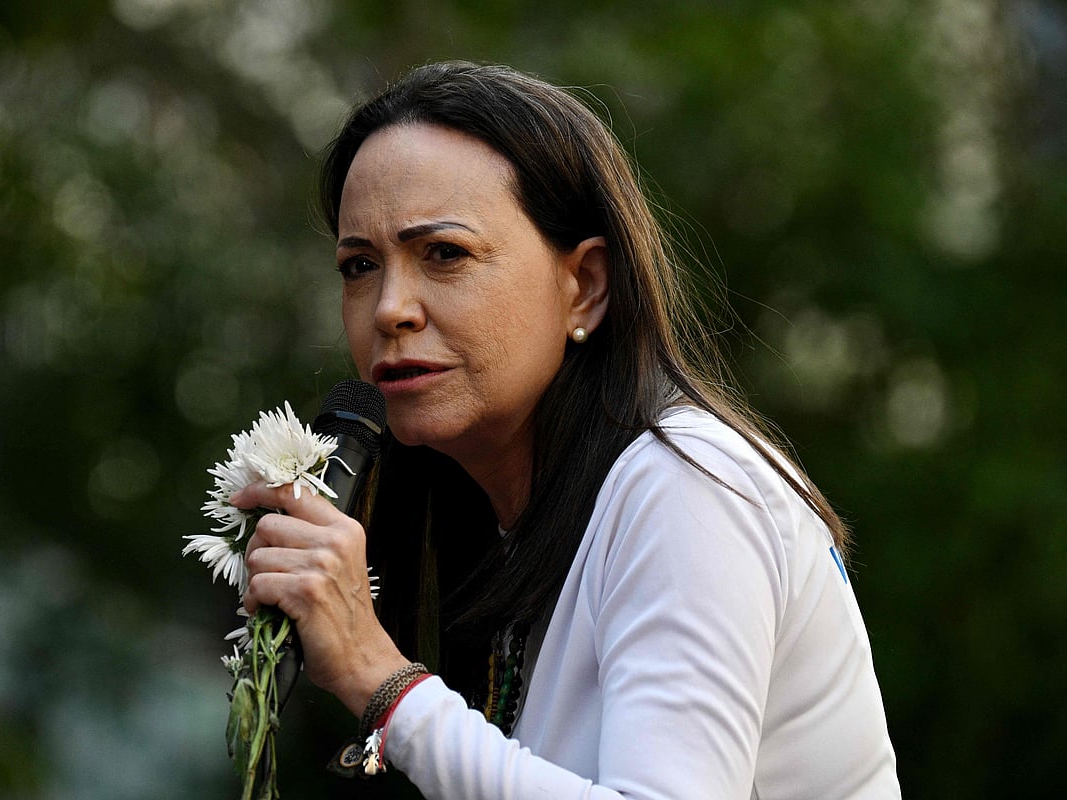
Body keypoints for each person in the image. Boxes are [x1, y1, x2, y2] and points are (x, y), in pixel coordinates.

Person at [232, 61, 901, 798]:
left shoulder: (686, 482)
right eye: (360, 265)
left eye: (445, 254)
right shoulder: (521, 527)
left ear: (584, 285)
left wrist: (377, 677)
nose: (390, 308)